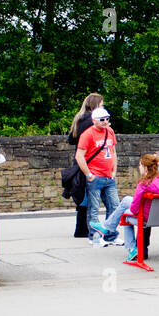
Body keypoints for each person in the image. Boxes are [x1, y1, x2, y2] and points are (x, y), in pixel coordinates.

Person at [100, 154, 159, 262]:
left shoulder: (143, 184)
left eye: (140, 165)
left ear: (145, 168)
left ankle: (131, 248)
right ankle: (108, 226)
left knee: (125, 214)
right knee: (127, 200)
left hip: (146, 218)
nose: (139, 168)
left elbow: (134, 210)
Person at [77, 106, 118, 247]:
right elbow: (79, 156)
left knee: (114, 206)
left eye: (107, 119)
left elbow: (113, 151)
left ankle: (110, 236)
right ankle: (94, 237)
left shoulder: (110, 131)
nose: (105, 121)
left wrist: (114, 171)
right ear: (94, 120)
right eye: (102, 119)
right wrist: (88, 174)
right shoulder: (88, 134)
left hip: (109, 176)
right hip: (95, 176)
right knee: (94, 209)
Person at [68, 94, 104, 238]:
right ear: (95, 105)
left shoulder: (79, 119)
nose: (103, 107)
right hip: (88, 161)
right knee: (89, 195)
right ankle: (85, 228)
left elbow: (71, 139)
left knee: (84, 194)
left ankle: (81, 228)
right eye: (101, 105)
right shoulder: (92, 121)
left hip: (79, 161)